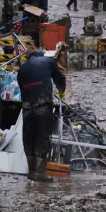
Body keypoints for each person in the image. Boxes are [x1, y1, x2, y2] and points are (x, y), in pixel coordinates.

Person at [17, 49, 66, 182]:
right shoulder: (48, 61)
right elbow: (60, 78)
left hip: (27, 107)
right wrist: (62, 92)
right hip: (43, 104)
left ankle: (31, 171)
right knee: (42, 135)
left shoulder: (22, 68)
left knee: (29, 137)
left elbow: (21, 87)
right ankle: (39, 172)